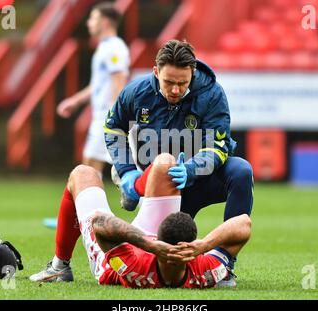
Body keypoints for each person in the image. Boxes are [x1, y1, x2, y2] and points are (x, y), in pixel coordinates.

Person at [104, 39, 254, 282]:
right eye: (169, 82)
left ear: (192, 74)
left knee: (241, 171)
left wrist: (191, 169)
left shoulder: (212, 94)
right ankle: (132, 184)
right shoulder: (136, 92)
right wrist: (127, 169)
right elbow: (113, 129)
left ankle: (226, 264)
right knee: (159, 259)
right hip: (164, 183)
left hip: (201, 178)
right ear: (156, 72)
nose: (175, 90)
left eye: (182, 83)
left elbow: (218, 145)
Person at [30, 153, 252, 288]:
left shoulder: (135, 267)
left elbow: (100, 223)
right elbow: (244, 223)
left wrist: (149, 244)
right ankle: (134, 188)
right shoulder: (203, 270)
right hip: (150, 242)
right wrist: (203, 246)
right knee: (166, 163)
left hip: (113, 250)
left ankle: (59, 266)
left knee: (82, 173)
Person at [56, 1, 129, 175]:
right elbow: (97, 85)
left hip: (107, 117)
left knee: (89, 168)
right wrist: (75, 101)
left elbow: (119, 80)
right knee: (90, 167)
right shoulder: (105, 47)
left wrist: (114, 116)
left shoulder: (113, 48)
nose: (89, 23)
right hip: (102, 116)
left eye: (92, 18)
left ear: (104, 22)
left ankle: (91, 201)